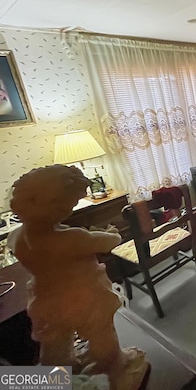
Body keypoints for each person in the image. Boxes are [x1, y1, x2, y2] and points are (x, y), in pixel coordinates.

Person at [8, 165, 147, 389]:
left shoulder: (16, 237)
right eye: (71, 203)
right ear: (55, 206)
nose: (72, 208)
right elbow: (108, 242)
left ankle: (58, 377)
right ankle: (114, 366)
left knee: (54, 343)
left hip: (45, 298)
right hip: (83, 296)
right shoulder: (70, 237)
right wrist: (110, 233)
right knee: (101, 332)